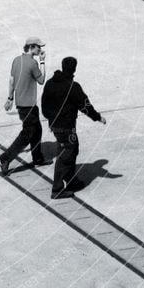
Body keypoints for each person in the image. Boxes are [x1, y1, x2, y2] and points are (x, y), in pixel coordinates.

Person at [41, 56, 106, 199]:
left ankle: (70, 181)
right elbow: (85, 106)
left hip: (55, 125)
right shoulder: (73, 87)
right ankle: (57, 189)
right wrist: (97, 117)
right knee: (66, 154)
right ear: (74, 69)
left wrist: (51, 118)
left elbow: (44, 106)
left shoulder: (50, 83)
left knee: (73, 148)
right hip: (66, 127)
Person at [0, 36, 49, 176]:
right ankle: (5, 158)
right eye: (39, 47)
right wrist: (42, 61)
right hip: (29, 105)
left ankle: (37, 158)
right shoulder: (33, 63)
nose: (40, 49)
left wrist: (10, 98)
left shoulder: (16, 60)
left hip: (21, 104)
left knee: (37, 130)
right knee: (27, 134)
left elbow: (11, 80)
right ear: (31, 46)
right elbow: (42, 80)